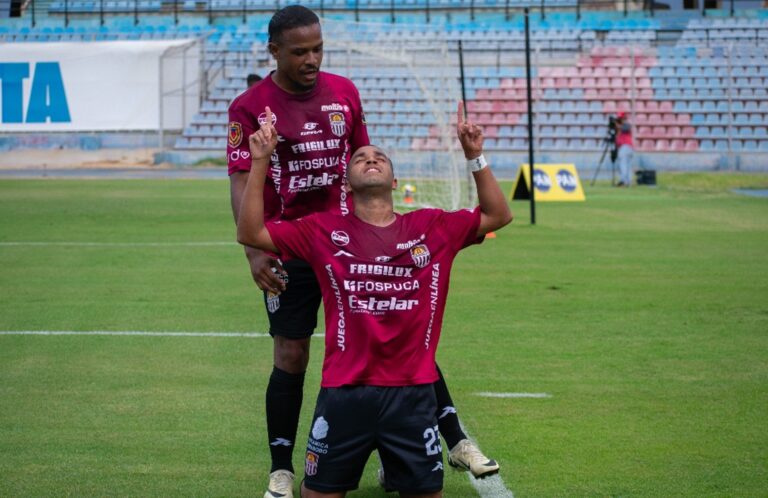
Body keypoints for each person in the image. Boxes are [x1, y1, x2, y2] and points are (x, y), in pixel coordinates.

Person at [228, 6, 497, 497]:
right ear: (274, 52)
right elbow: (242, 178)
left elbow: (362, 162)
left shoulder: (344, 93)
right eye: (300, 52)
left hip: (346, 242)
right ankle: (282, 469)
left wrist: (382, 230)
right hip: (289, 244)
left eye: (318, 49)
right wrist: (253, 252)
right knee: (290, 352)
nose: (312, 59)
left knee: (392, 334)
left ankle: (452, 440)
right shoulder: (250, 106)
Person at [615, 112, 634, 187]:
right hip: (626, 147)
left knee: (623, 164)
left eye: (620, 118)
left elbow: (625, 128)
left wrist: (618, 126)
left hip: (625, 146)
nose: (620, 119)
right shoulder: (621, 126)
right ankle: (628, 181)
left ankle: (624, 181)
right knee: (627, 164)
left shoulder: (626, 124)